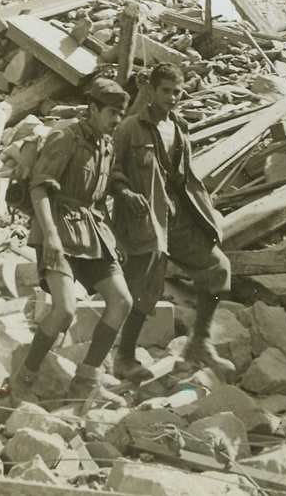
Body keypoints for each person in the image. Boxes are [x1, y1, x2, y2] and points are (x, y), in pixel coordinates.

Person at [11, 77, 133, 402]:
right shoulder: (65, 137)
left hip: (92, 232)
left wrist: (114, 236)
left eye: (121, 114)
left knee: (122, 302)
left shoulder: (107, 144)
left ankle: (86, 381)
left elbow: (98, 197)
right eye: (111, 112)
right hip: (58, 229)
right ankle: (25, 378)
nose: (116, 120)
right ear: (92, 108)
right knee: (65, 310)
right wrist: (49, 237)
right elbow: (40, 188)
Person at [111, 63, 234, 381]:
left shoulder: (180, 127)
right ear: (151, 90)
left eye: (178, 92)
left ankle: (200, 344)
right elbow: (110, 172)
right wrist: (124, 192)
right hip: (144, 221)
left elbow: (183, 178)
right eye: (166, 90)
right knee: (145, 290)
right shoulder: (129, 129)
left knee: (217, 269)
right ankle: (123, 358)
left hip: (178, 220)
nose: (172, 97)